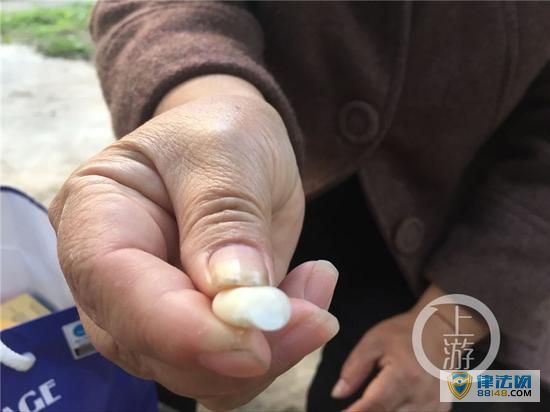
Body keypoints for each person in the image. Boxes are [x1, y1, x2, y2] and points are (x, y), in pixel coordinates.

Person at [49, 2, 550, 411]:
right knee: (160, 346)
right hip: (268, 173)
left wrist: (442, 329)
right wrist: (207, 106)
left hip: (470, 239)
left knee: (449, 392)